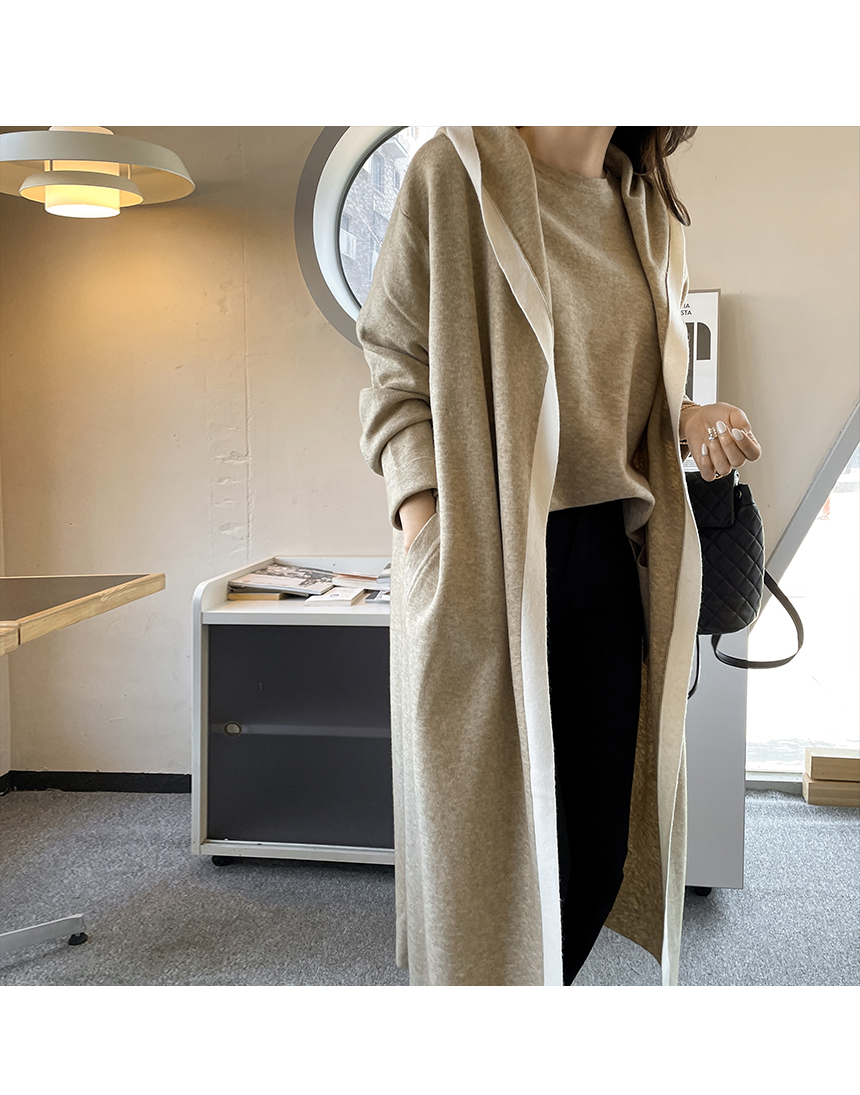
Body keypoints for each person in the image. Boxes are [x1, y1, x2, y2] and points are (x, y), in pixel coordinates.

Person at [356, 126, 762, 987]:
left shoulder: (646, 211)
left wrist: (688, 417)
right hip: (484, 556)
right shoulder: (453, 172)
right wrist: (428, 528)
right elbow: (393, 361)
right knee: (492, 866)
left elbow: (623, 385)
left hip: (606, 561)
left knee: (599, 854)